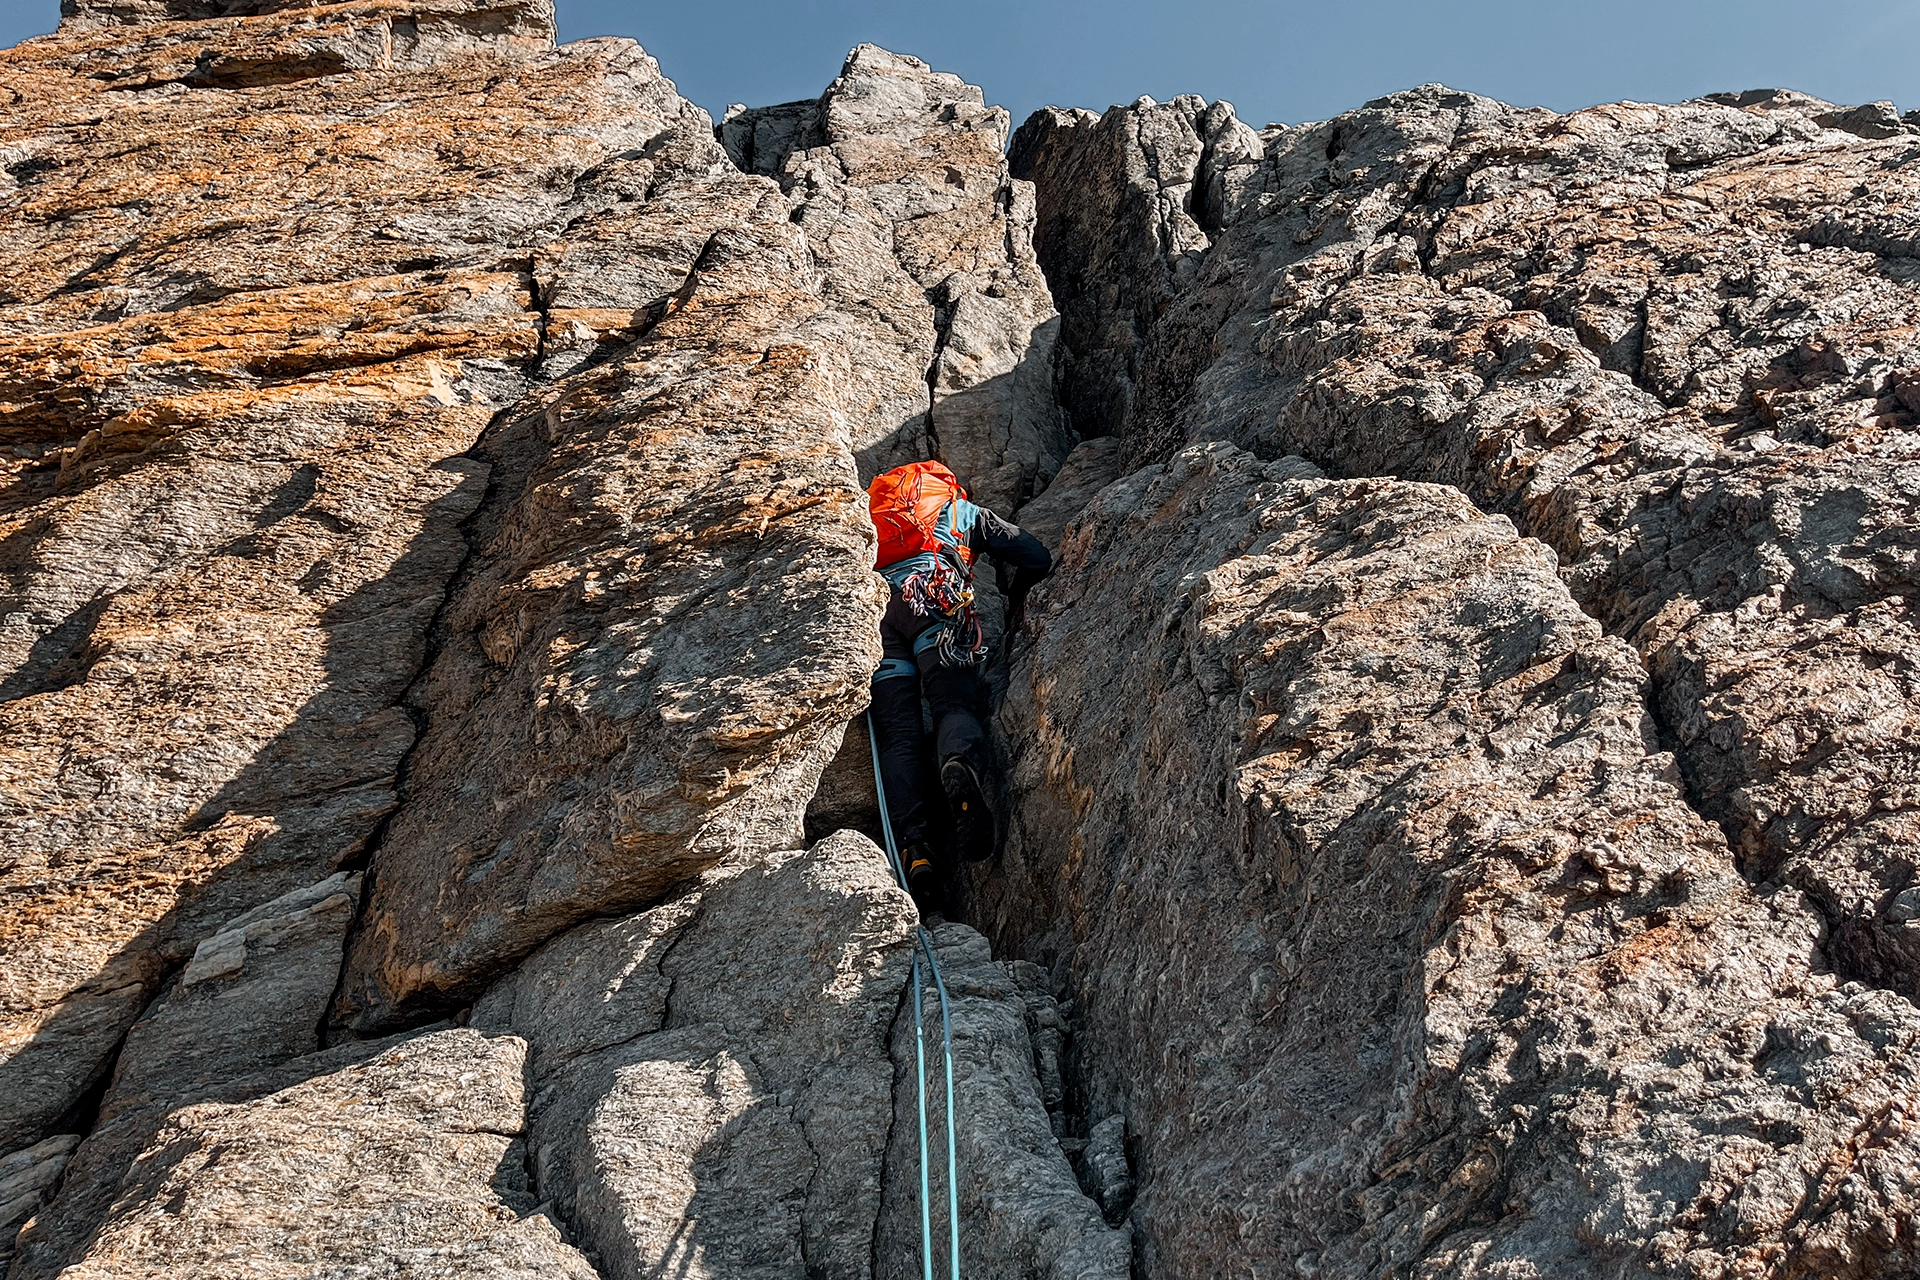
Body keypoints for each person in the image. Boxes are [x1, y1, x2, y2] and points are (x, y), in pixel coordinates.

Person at [866, 460, 1051, 915]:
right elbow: (1035, 555)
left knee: (898, 736)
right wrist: (1016, 597)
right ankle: (959, 761)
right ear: (945, 485)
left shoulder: (873, 520)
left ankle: (915, 850)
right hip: (935, 603)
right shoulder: (958, 511)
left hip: (880, 618)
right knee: (952, 706)